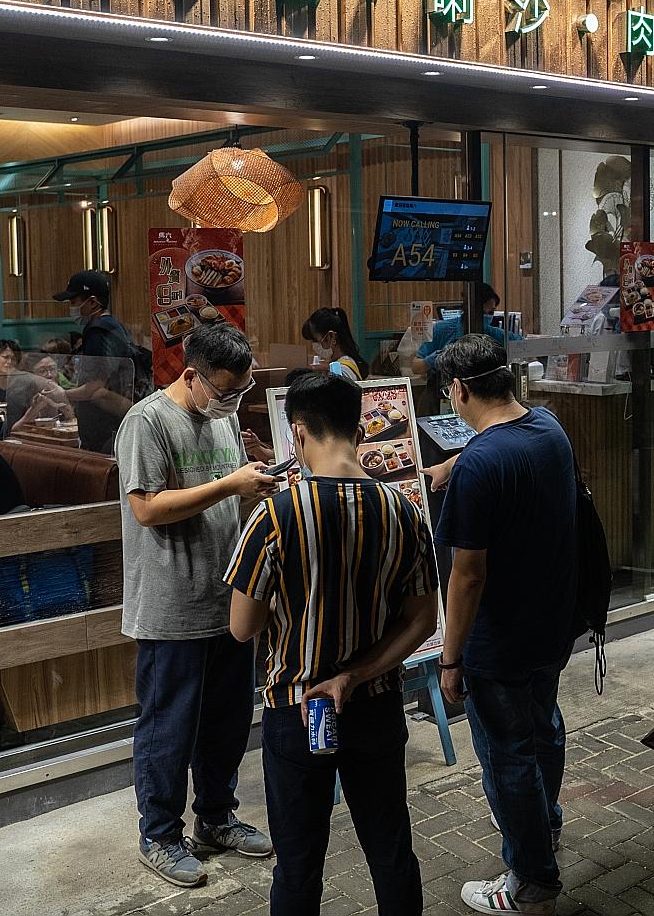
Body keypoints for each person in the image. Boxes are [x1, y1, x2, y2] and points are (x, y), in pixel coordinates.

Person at [224, 372, 436, 916]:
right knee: (391, 850)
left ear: (297, 433)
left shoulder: (274, 515)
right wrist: (356, 674)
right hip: (375, 706)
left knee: (298, 865)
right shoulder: (403, 510)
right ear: (360, 428)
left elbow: (242, 627)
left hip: (296, 710)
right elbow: (420, 621)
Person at [117, 322, 277, 888]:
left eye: (243, 391)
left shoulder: (224, 416)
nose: (236, 403)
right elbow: (148, 508)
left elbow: (229, 488)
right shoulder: (147, 421)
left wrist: (255, 481)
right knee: (168, 727)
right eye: (229, 392)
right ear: (192, 376)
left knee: (227, 722)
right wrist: (231, 486)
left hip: (227, 600)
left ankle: (215, 817)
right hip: (170, 605)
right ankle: (159, 835)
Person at [429, 334, 577, 916]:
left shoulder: (483, 464)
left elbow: (466, 575)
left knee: (508, 756)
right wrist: (450, 465)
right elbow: (497, 454)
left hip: (500, 639)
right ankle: (546, 826)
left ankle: (530, 882)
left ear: (460, 390)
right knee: (544, 731)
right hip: (551, 625)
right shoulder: (548, 429)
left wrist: (450, 656)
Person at [55, 270, 136, 453]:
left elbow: (95, 388)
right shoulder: (113, 326)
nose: (71, 307)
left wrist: (60, 394)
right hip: (113, 426)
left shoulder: (98, 331)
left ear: (92, 302)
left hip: (104, 428)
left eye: (73, 302)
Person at [412, 283, 515, 378]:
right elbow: (416, 367)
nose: (487, 316)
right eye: (482, 312)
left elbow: (523, 344)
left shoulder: (494, 334)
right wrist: (437, 358)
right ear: (468, 308)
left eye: (491, 312)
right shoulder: (442, 330)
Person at [302, 306, 370, 382]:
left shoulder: (343, 372)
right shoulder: (335, 365)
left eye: (315, 340)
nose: (314, 345)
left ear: (331, 336)